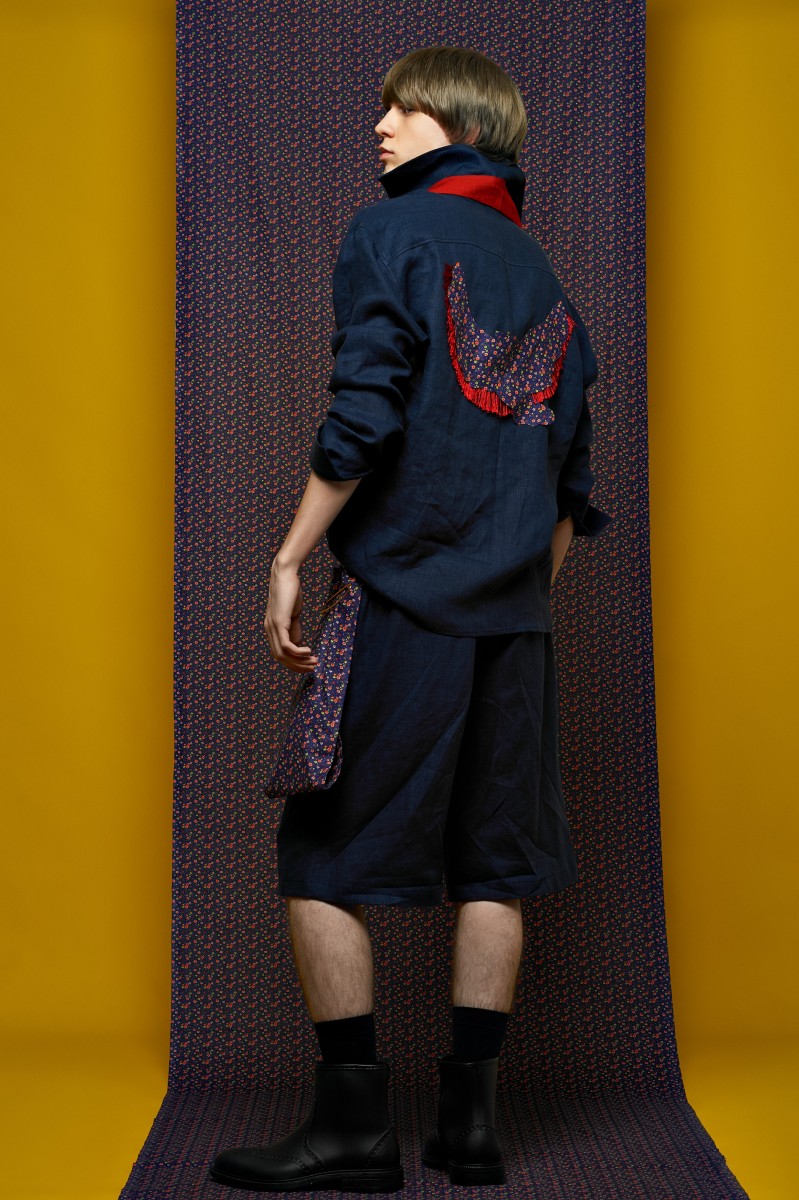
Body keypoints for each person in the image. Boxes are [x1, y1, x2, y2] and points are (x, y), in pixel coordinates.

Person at [210, 44, 612, 1193]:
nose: (379, 125)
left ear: (462, 125)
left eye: (403, 108)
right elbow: (570, 495)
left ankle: (354, 1131)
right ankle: (471, 1129)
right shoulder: (550, 285)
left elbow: (364, 415)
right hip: (515, 628)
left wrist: (290, 557)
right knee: (492, 863)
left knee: (322, 851)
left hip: (402, 604)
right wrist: (511, 592)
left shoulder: (388, 234)